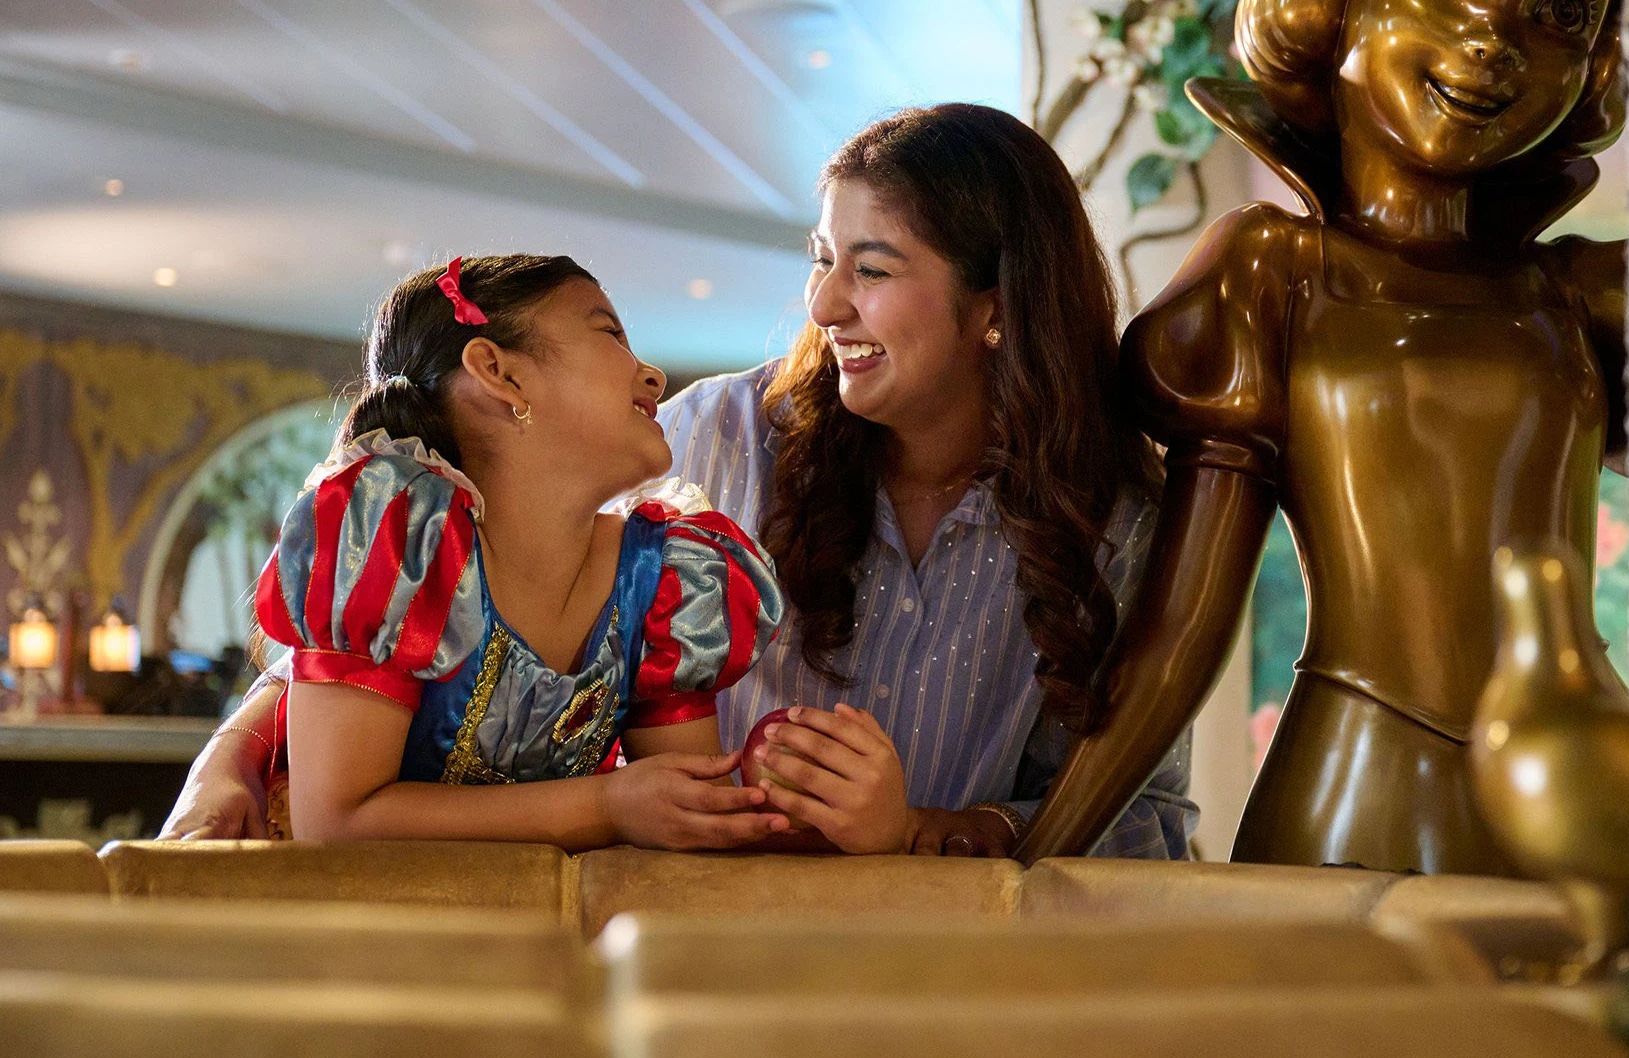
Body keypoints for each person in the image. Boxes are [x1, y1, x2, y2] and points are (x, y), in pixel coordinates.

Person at [166, 106, 1195, 859]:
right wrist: (235, 753)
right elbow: (430, 611)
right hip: (699, 945)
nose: (825, 301)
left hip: (947, 986)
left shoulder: (1116, 523)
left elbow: (1139, 822)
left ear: (996, 307)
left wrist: (930, 830)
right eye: (821, 257)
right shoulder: (718, 439)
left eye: (873, 271)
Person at [1015, 0, 1625, 873]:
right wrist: (1036, 867)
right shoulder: (1270, 277)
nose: (1490, 39)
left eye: (1560, 10)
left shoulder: (1579, 296)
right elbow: (1178, 640)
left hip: (1584, 814)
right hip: (1355, 800)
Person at [217, 253, 793, 851]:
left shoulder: (667, 577)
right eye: (611, 334)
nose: (652, 375)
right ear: (499, 372)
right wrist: (606, 806)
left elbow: (691, 828)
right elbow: (336, 823)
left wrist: (782, 801)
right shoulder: (398, 547)